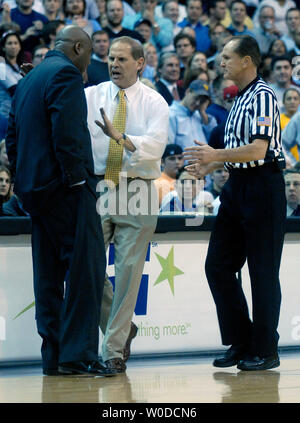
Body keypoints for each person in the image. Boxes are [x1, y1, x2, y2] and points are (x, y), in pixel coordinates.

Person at [5, 25, 115, 377]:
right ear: (79, 47)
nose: (89, 63)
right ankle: (78, 354)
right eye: (89, 55)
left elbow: (12, 135)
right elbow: (66, 133)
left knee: (48, 275)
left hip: (34, 191)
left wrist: (24, 185)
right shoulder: (66, 73)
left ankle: (52, 354)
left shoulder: (28, 79)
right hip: (66, 189)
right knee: (86, 269)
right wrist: (78, 179)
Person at [184, 35, 286, 371]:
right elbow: (239, 155)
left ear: (247, 60)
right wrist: (210, 164)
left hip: (263, 187)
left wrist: (216, 155)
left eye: (227, 56)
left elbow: (259, 151)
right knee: (218, 265)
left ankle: (265, 349)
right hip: (237, 186)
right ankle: (242, 342)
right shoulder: (239, 98)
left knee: (262, 271)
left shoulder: (264, 96)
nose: (221, 61)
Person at [84, 36, 169, 372]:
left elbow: (156, 146)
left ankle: (113, 351)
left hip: (140, 189)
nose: (114, 64)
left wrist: (120, 138)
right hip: (100, 185)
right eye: (110, 58)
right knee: (87, 265)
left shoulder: (155, 102)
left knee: (128, 273)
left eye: (121, 59)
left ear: (140, 64)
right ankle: (122, 329)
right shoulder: (90, 96)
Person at [168, 79, 217, 148]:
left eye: (202, 101)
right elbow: (170, 147)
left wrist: (202, 112)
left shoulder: (199, 115)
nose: (197, 103)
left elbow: (213, 139)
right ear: (188, 92)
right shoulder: (171, 114)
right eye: (196, 98)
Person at [0, 31, 23, 120]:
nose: (13, 46)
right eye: (9, 43)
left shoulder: (20, 67)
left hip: (17, 115)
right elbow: (15, 90)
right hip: (5, 115)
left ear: (20, 46)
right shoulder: (1, 67)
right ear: (3, 47)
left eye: (16, 43)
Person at [280, 87, 300, 162]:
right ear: (283, 102)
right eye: (289, 98)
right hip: (287, 163)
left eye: (295, 99)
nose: (292, 101)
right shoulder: (277, 120)